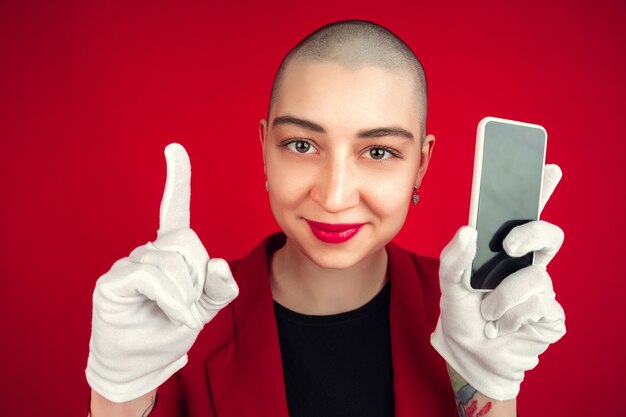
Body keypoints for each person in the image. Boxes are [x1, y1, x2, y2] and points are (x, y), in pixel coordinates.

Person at [84, 20, 566, 417]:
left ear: (421, 163)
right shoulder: (174, 321)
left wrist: (493, 386)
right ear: (265, 149)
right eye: (301, 145)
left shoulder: (478, 317)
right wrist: (116, 391)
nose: (334, 197)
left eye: (378, 151)